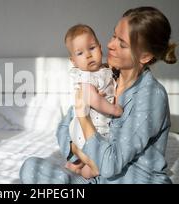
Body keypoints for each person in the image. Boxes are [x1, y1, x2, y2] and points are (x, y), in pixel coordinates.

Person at [20, 6, 177, 184]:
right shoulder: (104, 76)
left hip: (132, 180)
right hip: (98, 178)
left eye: (122, 44)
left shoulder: (152, 96)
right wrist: (80, 156)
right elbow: (63, 128)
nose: (110, 45)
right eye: (114, 36)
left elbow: (111, 165)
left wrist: (84, 119)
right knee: (31, 167)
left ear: (145, 56)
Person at [63, 24, 123, 179]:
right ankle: (79, 167)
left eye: (92, 48)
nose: (88, 55)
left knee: (97, 164)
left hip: (98, 126)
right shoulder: (85, 76)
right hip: (85, 131)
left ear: (100, 48)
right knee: (95, 171)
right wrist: (114, 110)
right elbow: (93, 99)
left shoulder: (103, 70)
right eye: (80, 53)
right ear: (73, 61)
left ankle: (77, 165)